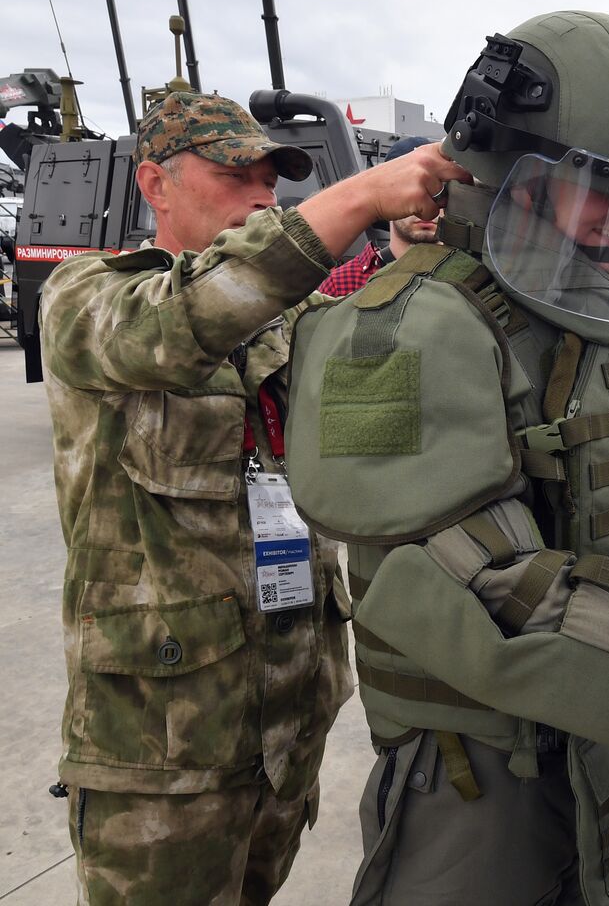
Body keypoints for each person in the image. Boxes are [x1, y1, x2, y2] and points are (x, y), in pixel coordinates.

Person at [291, 12, 609, 906]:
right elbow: (472, 579)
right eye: (605, 184)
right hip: (488, 768)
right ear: (508, 163)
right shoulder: (392, 335)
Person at [39, 92, 467, 904]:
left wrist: (427, 247)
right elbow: (183, 323)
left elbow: (397, 381)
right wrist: (362, 195)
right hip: (162, 745)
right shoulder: (89, 297)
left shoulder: (290, 318)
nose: (264, 195)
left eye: (273, 178)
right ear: (156, 184)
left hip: (285, 727)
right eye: (238, 174)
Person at [319, 135, 443, 296]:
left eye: (435, 190)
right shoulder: (341, 285)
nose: (422, 206)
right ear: (385, 196)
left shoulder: (474, 279)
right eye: (407, 190)